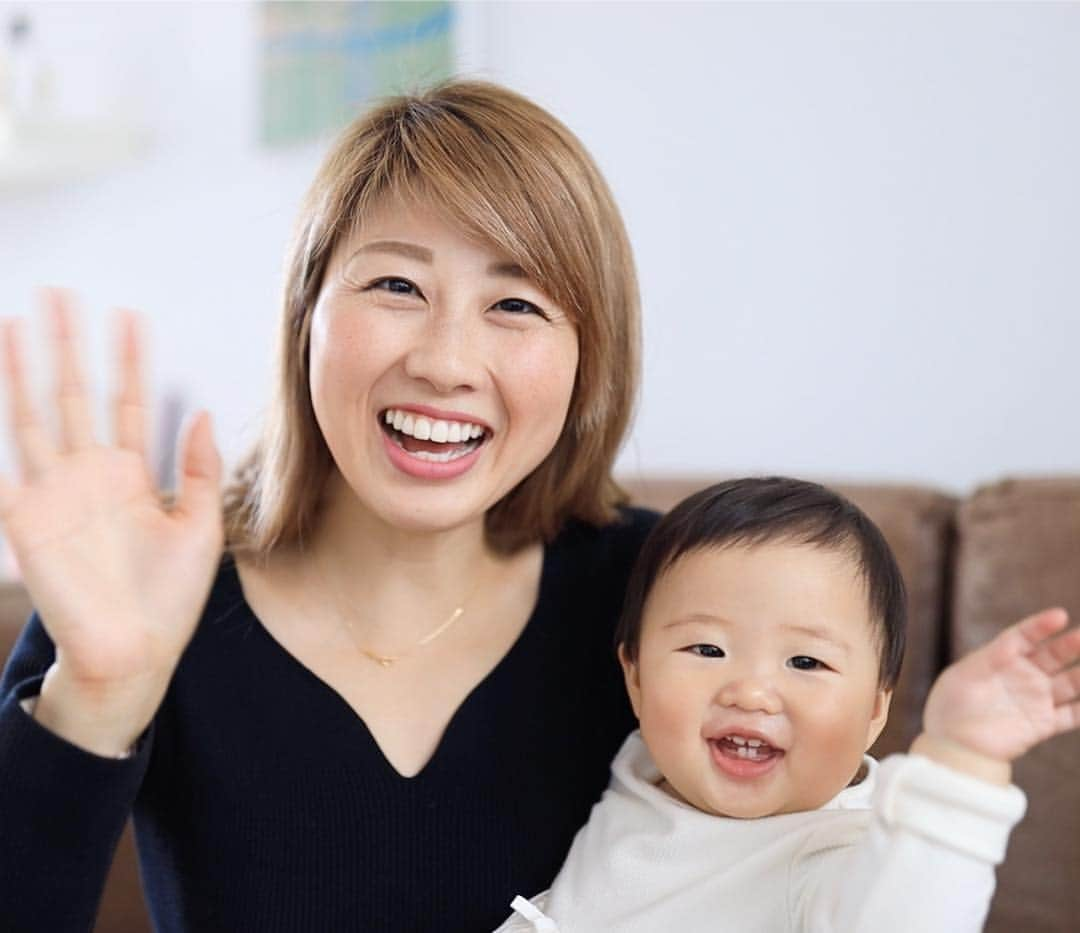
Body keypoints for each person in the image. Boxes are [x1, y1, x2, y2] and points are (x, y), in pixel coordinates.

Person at [0, 81, 659, 932]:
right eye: (396, 285)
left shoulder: (662, 596)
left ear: (588, 359)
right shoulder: (148, 588)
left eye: (515, 304)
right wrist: (96, 696)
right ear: (305, 314)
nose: (446, 361)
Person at [499, 477, 1080, 932]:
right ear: (635, 677)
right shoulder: (645, 766)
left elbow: (913, 913)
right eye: (707, 648)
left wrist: (963, 757)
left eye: (806, 662)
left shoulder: (832, 855)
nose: (749, 691)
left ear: (876, 711)